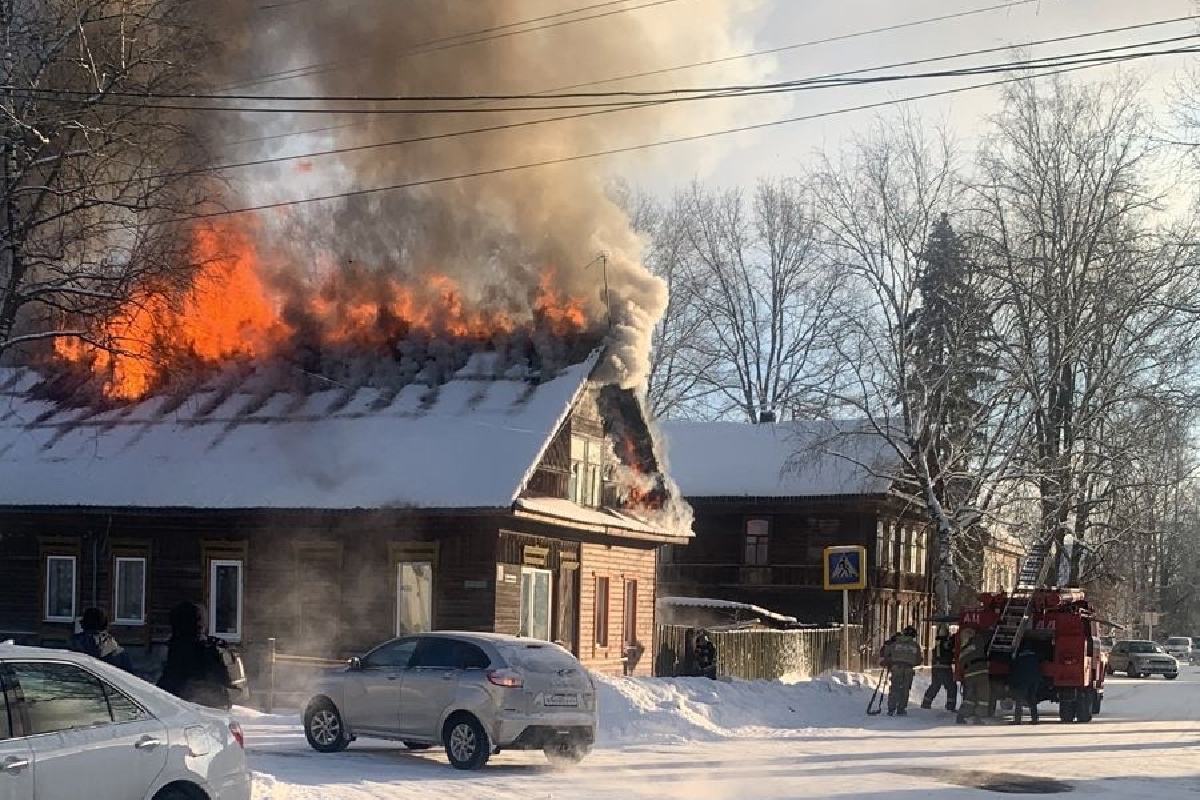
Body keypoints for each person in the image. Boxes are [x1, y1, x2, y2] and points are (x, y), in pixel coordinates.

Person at [157, 601, 233, 709]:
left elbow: (170, 682)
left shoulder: (181, 647)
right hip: (211, 704)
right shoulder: (208, 646)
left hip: (193, 706)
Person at [68, 607, 135, 672]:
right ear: (105, 625)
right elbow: (130, 679)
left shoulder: (70, 646)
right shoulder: (119, 652)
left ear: (82, 625)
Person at [885, 626, 923, 716]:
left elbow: (887, 654)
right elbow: (918, 660)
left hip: (896, 668)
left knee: (894, 688)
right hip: (908, 669)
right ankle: (901, 709)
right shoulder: (915, 645)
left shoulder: (895, 643)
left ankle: (891, 708)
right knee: (905, 689)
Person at [956, 627, 990, 725]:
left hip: (969, 675)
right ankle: (978, 718)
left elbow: (961, 664)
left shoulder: (963, 650)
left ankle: (962, 715)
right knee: (983, 697)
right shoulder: (977, 641)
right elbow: (986, 638)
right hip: (981, 672)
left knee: (969, 698)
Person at [921, 626, 958, 712]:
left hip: (936, 667)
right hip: (944, 667)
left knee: (935, 685)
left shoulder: (938, 642)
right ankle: (950, 706)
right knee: (951, 686)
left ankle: (926, 703)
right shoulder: (946, 642)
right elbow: (950, 650)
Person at [1010, 643, 1042, 725]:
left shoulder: (1018, 658)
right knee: (1032, 700)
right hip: (1033, 682)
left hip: (1022, 682)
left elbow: (1015, 671)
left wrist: (1012, 683)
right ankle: (1035, 719)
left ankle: (1017, 720)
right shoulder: (1035, 658)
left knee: (1019, 701)